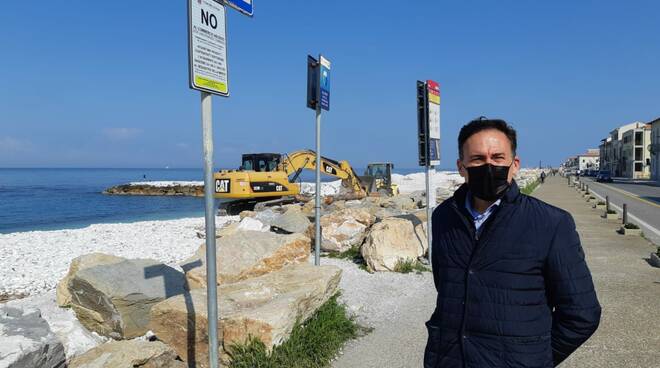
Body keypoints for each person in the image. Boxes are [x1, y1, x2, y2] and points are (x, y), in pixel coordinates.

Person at [424, 117, 601, 368]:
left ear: (514, 165)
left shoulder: (551, 223)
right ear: (461, 167)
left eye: (497, 158)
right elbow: (446, 287)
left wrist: (535, 359)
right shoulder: (443, 217)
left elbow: (582, 314)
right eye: (477, 159)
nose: (488, 166)